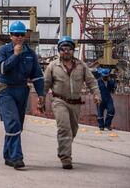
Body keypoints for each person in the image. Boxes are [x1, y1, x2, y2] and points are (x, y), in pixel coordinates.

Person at [43, 36, 101, 169]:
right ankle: (66, 158)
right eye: (63, 49)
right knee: (64, 128)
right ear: (59, 51)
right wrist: (41, 100)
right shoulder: (53, 66)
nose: (66, 51)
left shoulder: (81, 66)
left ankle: (63, 148)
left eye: (69, 49)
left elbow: (91, 81)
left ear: (73, 50)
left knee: (73, 131)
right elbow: (45, 84)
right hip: (59, 101)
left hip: (75, 103)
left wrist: (96, 94)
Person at [0, 21, 45, 169]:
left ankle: (8, 155)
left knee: (17, 126)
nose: (19, 37)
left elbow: (37, 75)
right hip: (5, 90)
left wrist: (41, 95)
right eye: (16, 34)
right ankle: (17, 157)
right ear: (10, 36)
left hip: (22, 91)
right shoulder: (3, 51)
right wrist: (15, 55)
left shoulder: (30, 54)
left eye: (22, 34)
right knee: (13, 123)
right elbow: (3, 69)